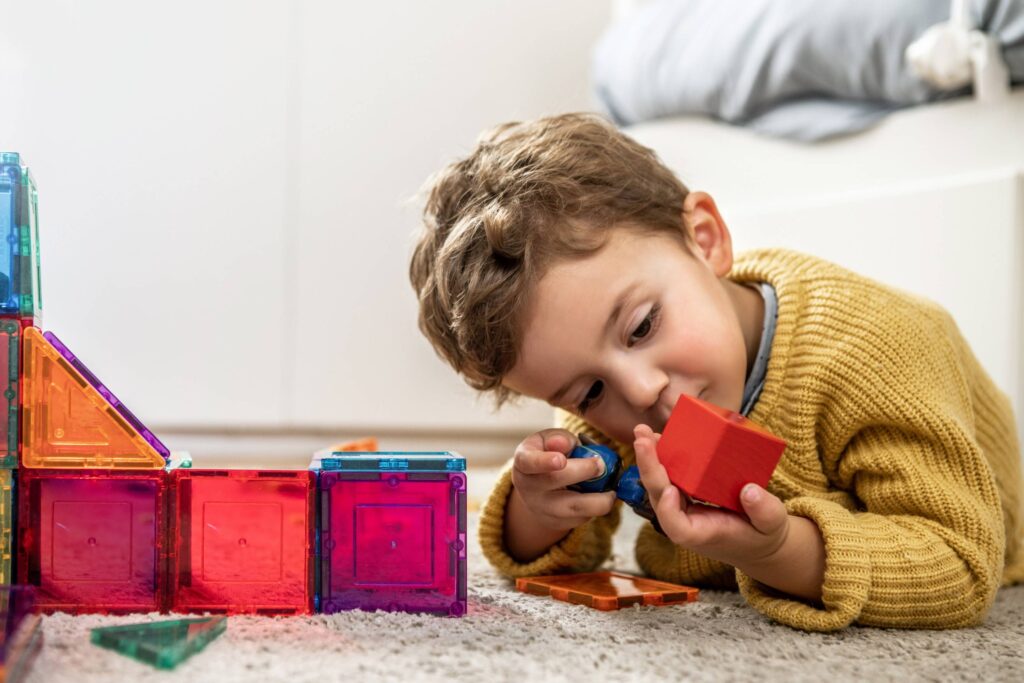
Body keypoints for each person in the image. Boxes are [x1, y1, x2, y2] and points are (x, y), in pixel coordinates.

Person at [408, 112, 1023, 631]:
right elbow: (570, 555)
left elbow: (962, 567)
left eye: (644, 326)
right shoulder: (610, 390)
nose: (641, 390)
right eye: (588, 390)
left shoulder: (876, 350)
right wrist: (541, 509)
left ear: (705, 240)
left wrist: (779, 552)